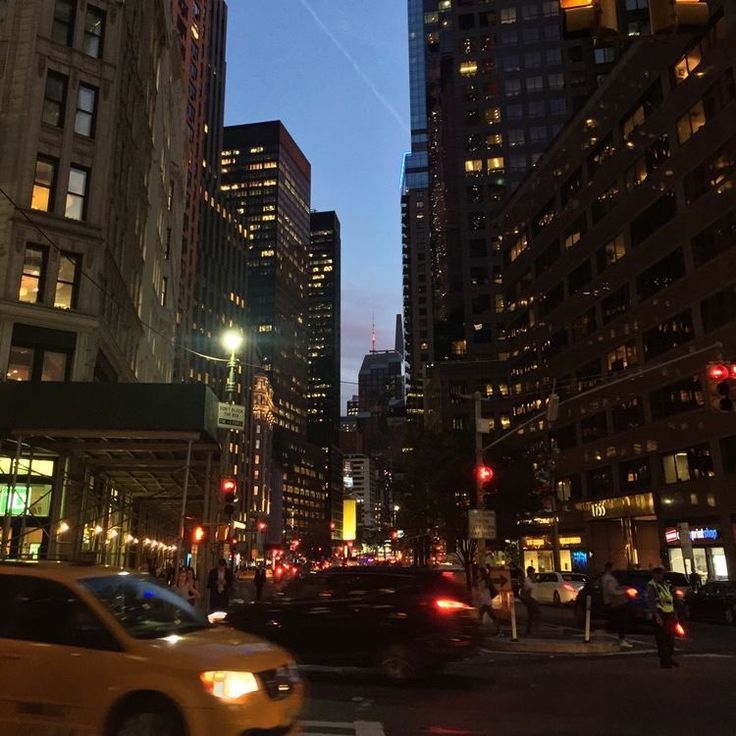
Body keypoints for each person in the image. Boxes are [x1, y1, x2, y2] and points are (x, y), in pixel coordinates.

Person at [647, 565, 679, 669]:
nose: (660, 576)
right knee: (662, 639)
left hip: (669, 613)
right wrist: (656, 616)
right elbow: (652, 602)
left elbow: (670, 598)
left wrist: (674, 614)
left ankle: (669, 658)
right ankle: (665, 661)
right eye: (658, 574)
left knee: (670, 639)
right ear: (654, 575)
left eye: (661, 574)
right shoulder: (652, 585)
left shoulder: (665, 584)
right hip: (660, 613)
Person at [601, 562, 633, 648]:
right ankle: (621, 639)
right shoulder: (610, 579)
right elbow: (612, 591)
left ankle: (621, 638)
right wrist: (623, 592)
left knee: (618, 621)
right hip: (616, 602)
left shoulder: (605, 578)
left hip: (611, 602)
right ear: (610, 568)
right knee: (621, 621)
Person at [478, 567, 502, 635]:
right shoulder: (483, 580)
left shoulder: (485, 581)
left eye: (479, 572)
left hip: (485, 601)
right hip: (485, 600)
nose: (478, 573)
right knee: (490, 615)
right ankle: (499, 629)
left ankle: (499, 629)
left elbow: (483, 589)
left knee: (485, 615)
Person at [521, 565, 540, 635]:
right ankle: (533, 628)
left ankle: (530, 629)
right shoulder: (527, 580)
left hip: (533, 598)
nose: (533, 574)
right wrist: (534, 581)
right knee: (535, 613)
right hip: (530, 599)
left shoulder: (532, 579)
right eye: (532, 572)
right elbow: (528, 587)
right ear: (529, 573)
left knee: (532, 614)